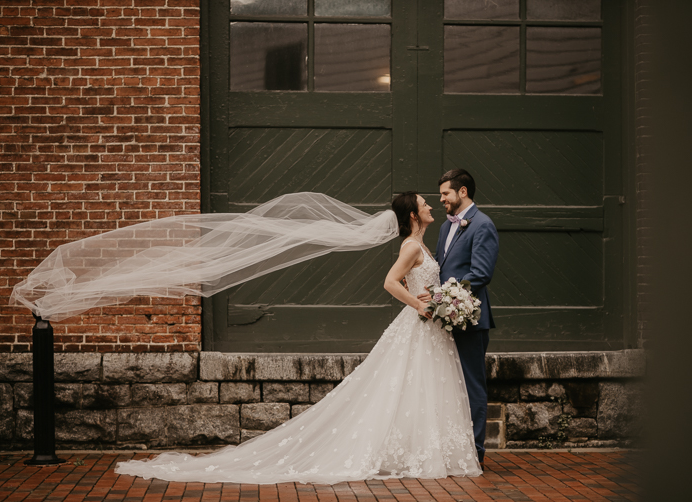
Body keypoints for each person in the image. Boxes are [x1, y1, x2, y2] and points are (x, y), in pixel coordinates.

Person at [114, 192, 482, 484]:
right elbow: (389, 282)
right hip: (419, 325)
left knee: (417, 388)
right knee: (402, 386)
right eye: (424, 203)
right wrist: (419, 306)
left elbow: (412, 282)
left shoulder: (420, 245)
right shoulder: (411, 246)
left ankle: (418, 450)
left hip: (429, 327)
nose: (431, 205)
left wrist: (431, 297)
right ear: (414, 215)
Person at [419, 169, 498, 468]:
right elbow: (440, 268)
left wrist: (442, 296)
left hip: (470, 317)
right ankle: (453, 449)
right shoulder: (444, 228)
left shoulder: (483, 225)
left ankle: (476, 452)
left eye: (445, 194)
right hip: (446, 318)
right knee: (449, 384)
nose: (441, 199)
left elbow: (480, 274)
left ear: (462, 192)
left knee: (472, 384)